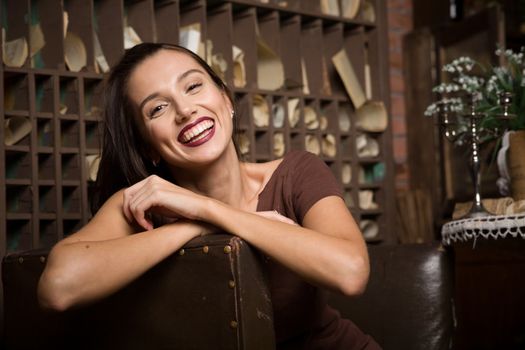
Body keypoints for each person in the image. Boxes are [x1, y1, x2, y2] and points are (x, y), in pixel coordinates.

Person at [37, 43, 380, 349]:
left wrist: (207, 209)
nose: (185, 110)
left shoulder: (296, 173)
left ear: (226, 100)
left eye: (193, 86)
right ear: (147, 147)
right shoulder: (142, 202)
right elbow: (58, 287)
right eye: (157, 108)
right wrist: (194, 227)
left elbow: (350, 273)